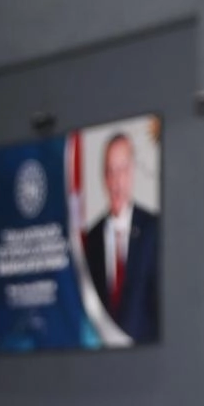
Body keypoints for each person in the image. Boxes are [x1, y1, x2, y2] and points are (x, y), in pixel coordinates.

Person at [80, 132, 160, 343]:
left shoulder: (153, 229)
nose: (117, 180)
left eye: (122, 170)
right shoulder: (91, 239)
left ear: (132, 171)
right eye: (110, 171)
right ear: (104, 177)